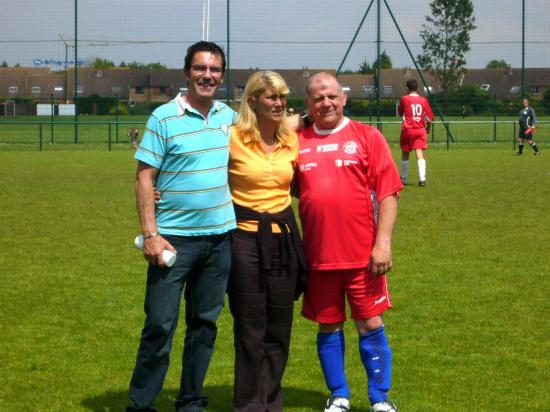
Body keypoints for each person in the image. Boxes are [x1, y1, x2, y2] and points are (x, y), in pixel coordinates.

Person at [127, 41, 236, 412]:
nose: (208, 75)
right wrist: (151, 234)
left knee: (204, 326)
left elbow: (273, 128)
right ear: (187, 71)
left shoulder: (229, 117)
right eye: (200, 68)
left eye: (215, 69)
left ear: (222, 75)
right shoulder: (163, 117)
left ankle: (191, 400)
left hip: (220, 240)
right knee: (159, 326)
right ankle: (141, 404)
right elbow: (145, 178)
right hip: (172, 242)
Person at [297, 72, 402, 412]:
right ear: (308, 105)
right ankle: (339, 395)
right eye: (317, 98)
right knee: (328, 324)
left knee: (370, 323)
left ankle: (380, 399)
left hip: (363, 257)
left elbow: (388, 193)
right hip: (318, 258)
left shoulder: (367, 137)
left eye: (331, 96)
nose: (325, 103)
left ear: (343, 98)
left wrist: (382, 243)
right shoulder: (296, 140)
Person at [227, 70, 306, 411]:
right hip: (243, 240)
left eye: (282, 97)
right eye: (271, 97)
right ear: (253, 100)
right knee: (250, 326)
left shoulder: (291, 139)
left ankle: (271, 402)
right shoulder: (231, 137)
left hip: (284, 240)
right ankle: (249, 404)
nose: (279, 103)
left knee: (280, 325)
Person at [397, 79, 434, 186]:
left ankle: (404, 178)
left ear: (407, 88)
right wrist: (428, 129)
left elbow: (400, 113)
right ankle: (422, 179)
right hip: (420, 130)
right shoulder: (423, 100)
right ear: (417, 88)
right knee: (419, 153)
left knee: (405, 153)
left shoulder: (404, 98)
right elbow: (430, 118)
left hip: (408, 129)